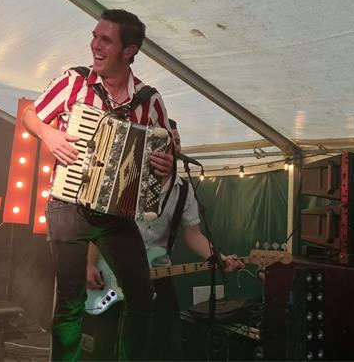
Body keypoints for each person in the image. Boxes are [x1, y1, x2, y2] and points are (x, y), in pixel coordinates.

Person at [22, 9, 174, 361]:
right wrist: (48, 134)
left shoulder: (149, 100)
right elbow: (31, 114)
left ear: (129, 50)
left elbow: (165, 150)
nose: (95, 45)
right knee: (70, 300)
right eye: (94, 36)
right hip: (68, 204)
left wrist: (166, 165)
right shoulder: (73, 82)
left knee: (141, 296)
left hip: (117, 214)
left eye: (105, 40)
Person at [85, 119, 246, 360]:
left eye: (178, 142)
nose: (175, 146)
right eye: (169, 141)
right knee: (108, 345)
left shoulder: (184, 190)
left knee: (167, 344)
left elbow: (193, 234)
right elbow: (102, 225)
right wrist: (89, 264)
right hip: (116, 270)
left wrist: (219, 258)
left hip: (158, 273)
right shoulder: (127, 177)